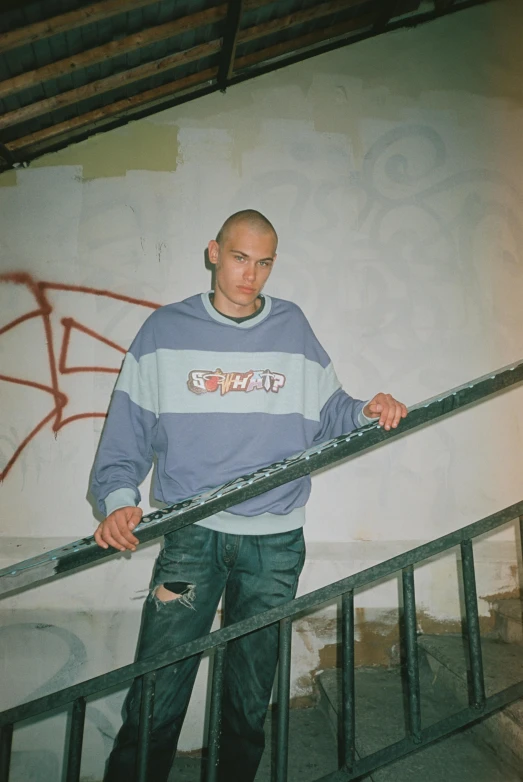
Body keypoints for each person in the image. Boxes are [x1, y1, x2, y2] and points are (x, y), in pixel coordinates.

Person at [91, 210, 407, 781]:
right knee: (156, 698)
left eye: (264, 263)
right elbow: (126, 433)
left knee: (246, 705)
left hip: (275, 544)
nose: (251, 275)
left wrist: (367, 410)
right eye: (240, 258)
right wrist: (118, 502)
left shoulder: (293, 327)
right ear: (213, 252)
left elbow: (330, 411)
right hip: (190, 537)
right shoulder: (163, 331)